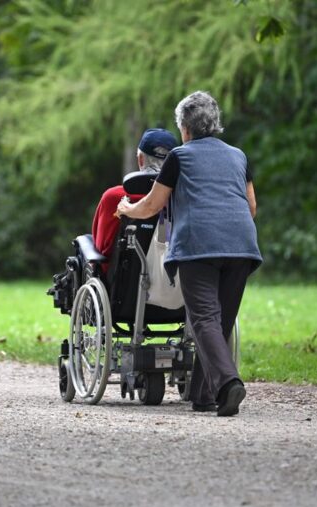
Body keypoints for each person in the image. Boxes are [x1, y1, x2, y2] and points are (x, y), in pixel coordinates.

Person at [116, 91, 262, 416]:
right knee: (219, 320)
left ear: (184, 128)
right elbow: (251, 206)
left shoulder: (179, 157)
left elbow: (152, 205)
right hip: (242, 245)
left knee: (204, 318)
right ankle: (204, 395)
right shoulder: (239, 156)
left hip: (199, 244)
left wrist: (127, 208)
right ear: (216, 123)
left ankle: (228, 383)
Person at [91, 128, 178, 263]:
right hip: (170, 277)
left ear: (141, 159)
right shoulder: (181, 198)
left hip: (120, 280)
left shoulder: (113, 197)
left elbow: (102, 248)